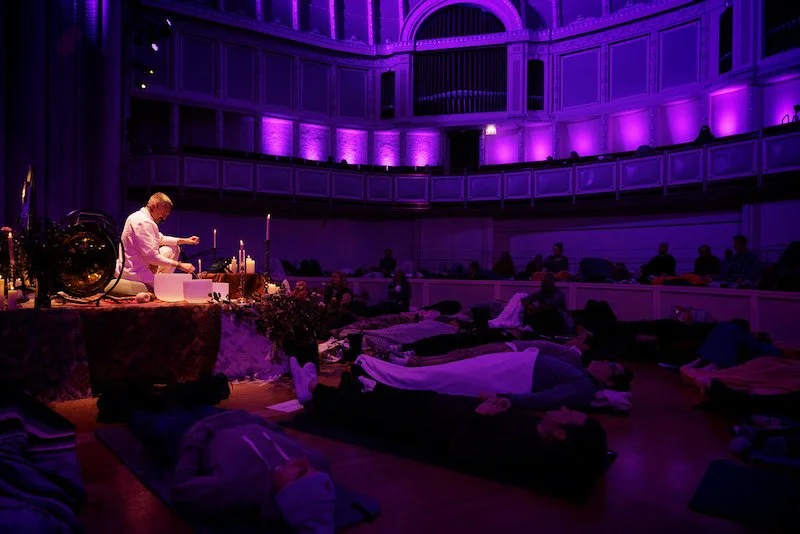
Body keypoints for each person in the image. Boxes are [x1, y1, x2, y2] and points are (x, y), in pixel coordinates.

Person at [289, 359, 610, 492]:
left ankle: (313, 394)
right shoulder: (534, 430)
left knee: (371, 413)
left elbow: (463, 449)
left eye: (568, 415)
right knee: (387, 400)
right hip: (442, 409)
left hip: (433, 423)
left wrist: (481, 416)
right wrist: (503, 403)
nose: (565, 408)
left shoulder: (523, 447)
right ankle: (339, 390)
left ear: (560, 433)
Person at [127, 404, 336, 532]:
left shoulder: (238, 487)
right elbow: (280, 435)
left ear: (285, 496)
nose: (301, 462)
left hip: (192, 432)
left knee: (146, 419)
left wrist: (197, 437)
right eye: (310, 469)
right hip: (233, 417)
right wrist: (256, 420)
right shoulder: (316, 462)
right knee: (183, 400)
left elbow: (181, 490)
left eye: (299, 473)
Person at [346, 347, 632, 412]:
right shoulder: (582, 373)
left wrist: (509, 399)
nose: (606, 362)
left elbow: (547, 399)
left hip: (511, 377)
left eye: (612, 367)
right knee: (446, 372)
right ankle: (378, 370)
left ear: (609, 383)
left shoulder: (584, 386)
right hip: (511, 366)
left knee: (441, 378)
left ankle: (377, 373)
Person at [110, 193, 198, 296]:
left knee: (173, 248)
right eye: (164, 212)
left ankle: (157, 278)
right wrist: (180, 265)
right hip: (134, 272)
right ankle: (156, 285)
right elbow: (151, 257)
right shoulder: (143, 221)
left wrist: (186, 240)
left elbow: (159, 238)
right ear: (154, 206)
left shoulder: (141, 217)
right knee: (174, 290)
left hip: (141, 263)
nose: (165, 217)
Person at [679, 320, 784, 373]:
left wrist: (755, 336)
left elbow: (770, 348)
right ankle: (701, 359)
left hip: (755, 348)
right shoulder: (747, 336)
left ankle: (714, 365)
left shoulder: (768, 346)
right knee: (722, 327)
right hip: (749, 343)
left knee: (731, 329)